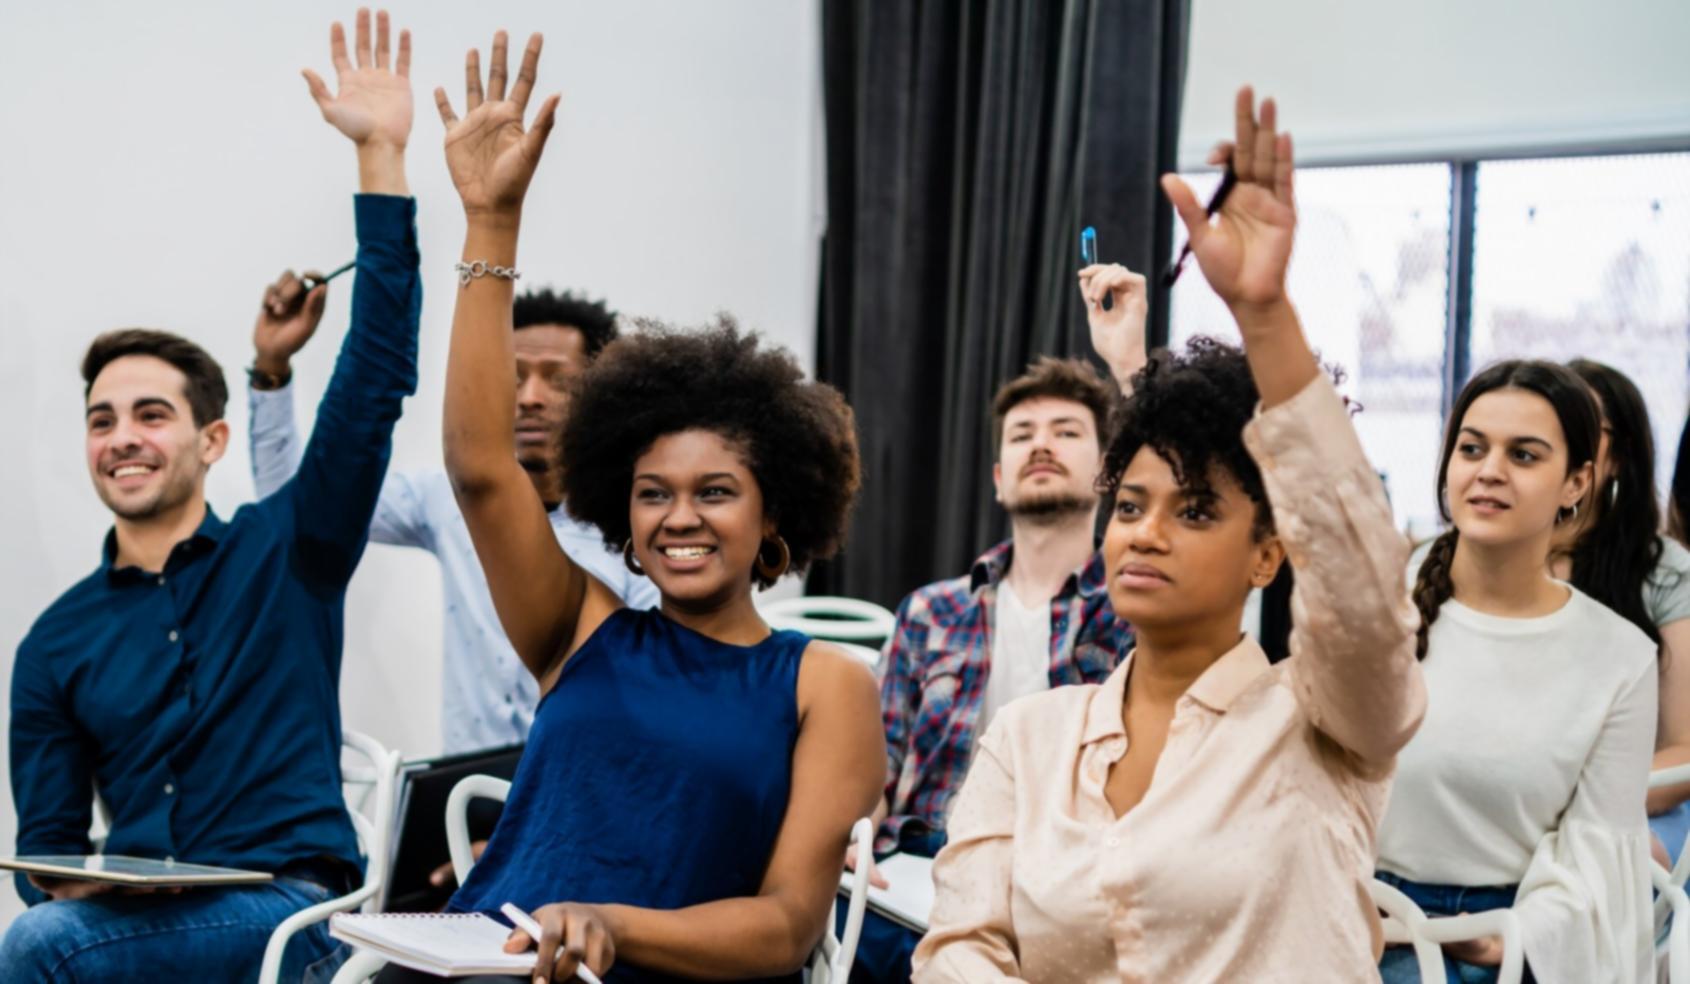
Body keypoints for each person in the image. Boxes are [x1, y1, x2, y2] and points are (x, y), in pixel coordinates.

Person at [367, 29, 883, 983]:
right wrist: (491, 223)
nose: (679, 517)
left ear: (776, 516)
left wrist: (613, 924)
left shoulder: (826, 686)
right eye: (653, 495)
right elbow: (483, 468)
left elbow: (784, 927)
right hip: (483, 964)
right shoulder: (581, 626)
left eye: (715, 492)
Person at [913, 86, 1426, 982]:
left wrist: (1264, 318)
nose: (1145, 533)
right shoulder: (1030, 741)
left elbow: (1363, 595)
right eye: (1129, 505)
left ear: (1269, 553)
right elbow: (959, 950)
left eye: (1194, 512)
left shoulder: (1323, 719)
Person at [2, 10, 420, 980]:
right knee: (48, 932)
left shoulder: (291, 549)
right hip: (145, 924)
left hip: (291, 916)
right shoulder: (56, 642)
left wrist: (382, 159)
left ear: (211, 439)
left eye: (150, 414)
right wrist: (74, 882)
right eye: (102, 420)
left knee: (39, 956)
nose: (122, 439)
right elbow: (48, 845)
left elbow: (375, 379)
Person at [248, 281, 657, 757]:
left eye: (558, 380)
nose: (530, 397)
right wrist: (271, 369)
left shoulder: (637, 520)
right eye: (513, 375)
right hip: (465, 794)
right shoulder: (448, 498)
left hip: (589, 783)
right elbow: (301, 502)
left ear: (600, 395)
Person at [857, 353, 1135, 980]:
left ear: (1108, 471)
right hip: (914, 869)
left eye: (1066, 432)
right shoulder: (930, 611)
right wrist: (853, 844)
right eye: (1021, 435)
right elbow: (875, 761)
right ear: (997, 478)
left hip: (1059, 884)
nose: (1041, 445)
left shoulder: (1133, 616)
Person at [1377, 359, 1656, 983]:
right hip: (1351, 916)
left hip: (1509, 940)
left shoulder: (1620, 657)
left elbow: (1600, 856)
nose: (1489, 471)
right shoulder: (1380, 600)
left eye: (1524, 456)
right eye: (1472, 448)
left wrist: (1510, 939)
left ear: (1576, 482)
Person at [1548, 360, 1690, 864]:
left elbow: (1685, 748)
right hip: (1513, 803)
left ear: (1619, 458)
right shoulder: (1497, 558)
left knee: (1624, 864)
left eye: (1585, 425)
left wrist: (1572, 804)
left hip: (1637, 808)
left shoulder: (1666, 571)